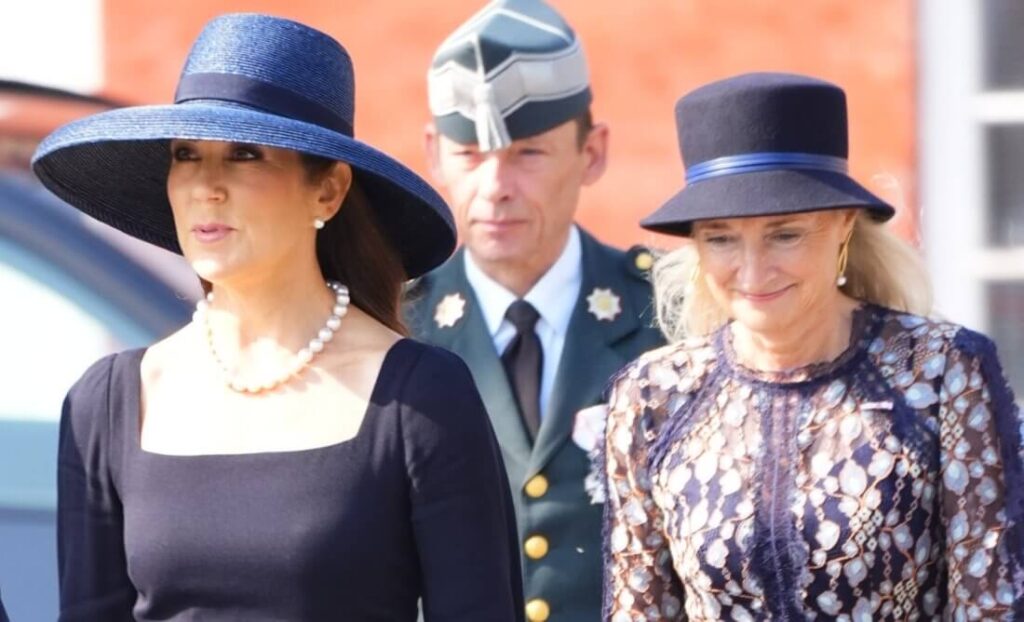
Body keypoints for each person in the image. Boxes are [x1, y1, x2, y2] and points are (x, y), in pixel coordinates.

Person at [33, 13, 523, 621]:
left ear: (328, 191)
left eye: (244, 154)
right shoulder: (105, 403)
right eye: (187, 154)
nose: (206, 186)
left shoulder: (420, 398)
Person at [602, 72, 1024, 620]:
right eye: (721, 237)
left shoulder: (943, 372)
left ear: (845, 224)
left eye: (785, 233)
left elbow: (990, 603)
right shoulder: (653, 396)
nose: (752, 270)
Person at [406, 2, 664, 620]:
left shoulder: (667, 315)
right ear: (434, 155)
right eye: (469, 154)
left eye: (528, 153)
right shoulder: (393, 325)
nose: (495, 186)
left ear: (593, 154)